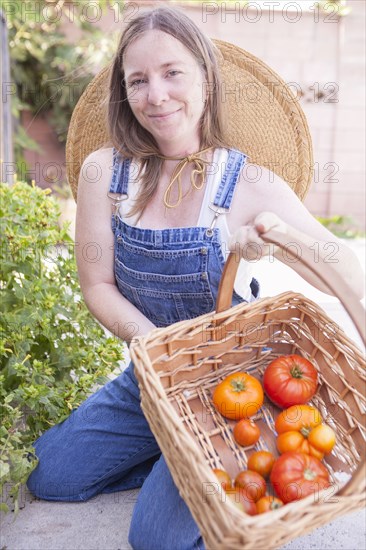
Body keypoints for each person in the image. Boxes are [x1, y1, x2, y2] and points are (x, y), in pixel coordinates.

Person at [27, 6, 364, 550]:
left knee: (155, 540)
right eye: (138, 81)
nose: (156, 95)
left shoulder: (251, 183)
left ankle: (228, 456)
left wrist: (280, 233)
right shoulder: (104, 173)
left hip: (227, 389)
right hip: (151, 374)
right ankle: (170, 456)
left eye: (172, 72)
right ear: (125, 93)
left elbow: (345, 275)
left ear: (206, 77)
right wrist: (158, 358)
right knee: (51, 476)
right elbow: (97, 286)